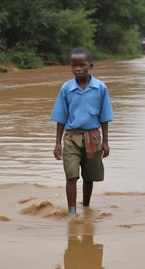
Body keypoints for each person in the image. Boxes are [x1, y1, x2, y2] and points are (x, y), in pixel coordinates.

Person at [51, 47, 113, 217]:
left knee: (89, 176)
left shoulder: (100, 88)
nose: (78, 69)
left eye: (82, 65)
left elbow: (105, 116)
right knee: (71, 175)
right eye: (74, 65)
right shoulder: (66, 89)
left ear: (90, 66)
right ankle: (72, 213)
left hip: (93, 136)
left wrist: (106, 141)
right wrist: (57, 143)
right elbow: (61, 117)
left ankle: (86, 207)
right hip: (71, 137)